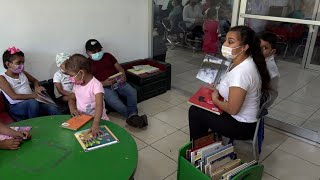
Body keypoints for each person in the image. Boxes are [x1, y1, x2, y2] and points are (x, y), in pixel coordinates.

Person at [189, 26, 271, 140]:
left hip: (241, 126)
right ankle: (205, 142)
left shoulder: (241, 73)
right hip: (238, 117)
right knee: (201, 107)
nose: (225, 45)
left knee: (195, 112)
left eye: (230, 42)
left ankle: (197, 150)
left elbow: (233, 109)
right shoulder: (240, 61)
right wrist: (218, 87)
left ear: (244, 47)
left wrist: (215, 100)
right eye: (225, 40)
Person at [85, 39, 148, 128]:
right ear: (88, 52)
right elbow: (90, 82)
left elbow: (120, 68)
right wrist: (103, 83)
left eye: (99, 50)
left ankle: (133, 116)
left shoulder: (108, 56)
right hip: (103, 87)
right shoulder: (87, 64)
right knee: (114, 102)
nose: (98, 53)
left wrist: (123, 76)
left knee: (132, 92)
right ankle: (133, 116)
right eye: (94, 51)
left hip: (118, 81)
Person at [0, 46, 62, 121]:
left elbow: (35, 81)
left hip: (34, 102)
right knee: (32, 103)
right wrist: (35, 95)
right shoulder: (2, 78)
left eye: (23, 62)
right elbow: (14, 96)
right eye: (18, 63)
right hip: (16, 106)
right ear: (8, 64)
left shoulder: (22, 73)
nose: (22, 65)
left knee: (53, 109)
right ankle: (34, 126)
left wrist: (37, 88)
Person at [65, 54, 109, 137]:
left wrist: (95, 124)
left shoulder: (96, 85)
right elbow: (71, 99)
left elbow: (99, 106)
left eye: (71, 75)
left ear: (81, 73)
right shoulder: (77, 84)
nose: (70, 78)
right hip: (83, 119)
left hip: (99, 120)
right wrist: (72, 108)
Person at [260, 32, 280, 107]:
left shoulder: (269, 69)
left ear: (272, 52)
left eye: (265, 48)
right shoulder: (258, 60)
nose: (259, 50)